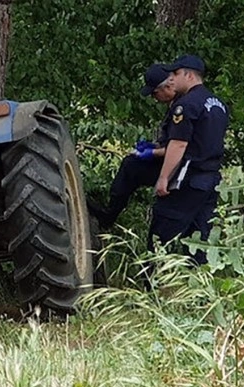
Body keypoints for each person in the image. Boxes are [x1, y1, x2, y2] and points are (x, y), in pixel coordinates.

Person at [149, 54, 229, 264]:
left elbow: (179, 144)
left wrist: (164, 177)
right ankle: (198, 290)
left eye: (176, 73)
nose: (172, 79)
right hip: (211, 180)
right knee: (200, 239)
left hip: (189, 178)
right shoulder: (219, 104)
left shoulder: (186, 105)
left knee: (161, 233)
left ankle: (150, 284)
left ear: (189, 75)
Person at [87, 63, 177, 229]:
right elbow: (170, 141)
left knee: (131, 167)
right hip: (170, 159)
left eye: (155, 93)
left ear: (169, 85)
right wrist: (152, 145)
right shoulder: (172, 107)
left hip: (178, 166)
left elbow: (178, 147)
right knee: (131, 164)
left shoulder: (182, 107)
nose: (154, 98)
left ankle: (108, 216)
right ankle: (110, 212)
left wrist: (153, 153)